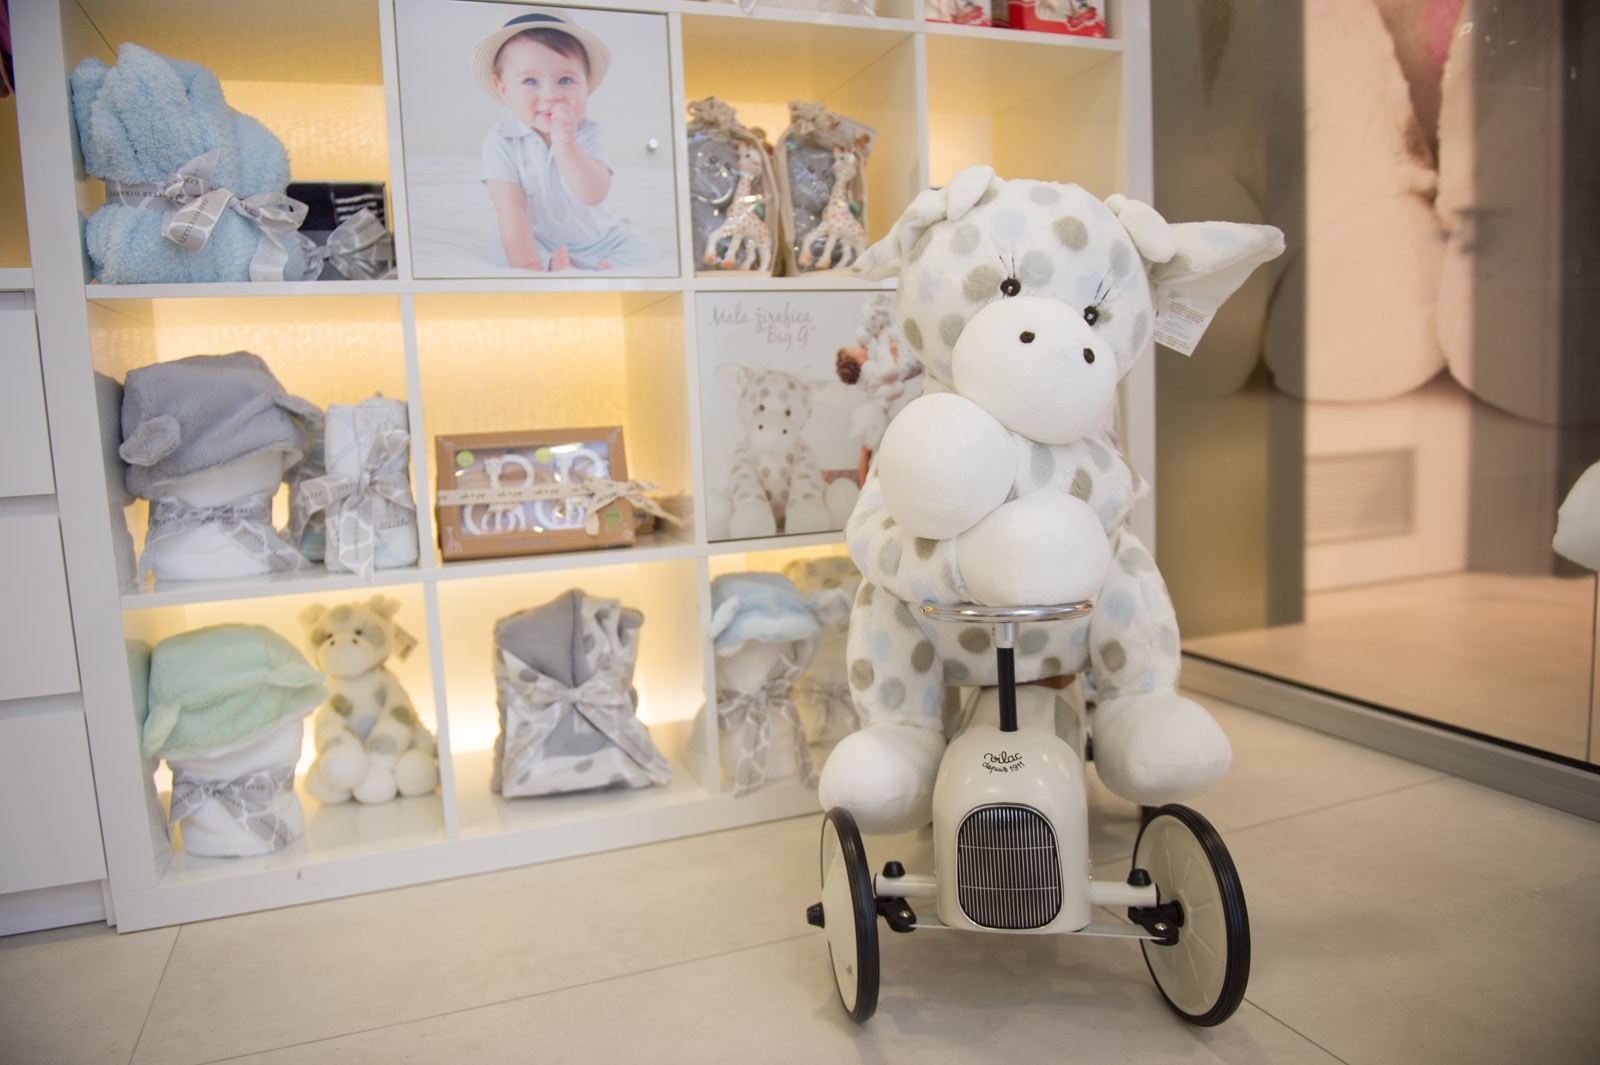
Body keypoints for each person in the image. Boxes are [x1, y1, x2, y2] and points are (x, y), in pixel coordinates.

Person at [471, 9, 659, 271]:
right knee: (499, 246)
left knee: (646, 248)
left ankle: (593, 264)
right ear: (504, 89)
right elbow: (510, 209)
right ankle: (551, 263)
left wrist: (567, 145)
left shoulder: (589, 132)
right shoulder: (501, 141)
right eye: (530, 81)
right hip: (536, 239)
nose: (550, 95)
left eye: (565, 80)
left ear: (586, 83)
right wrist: (529, 265)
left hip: (598, 239)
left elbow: (593, 194)